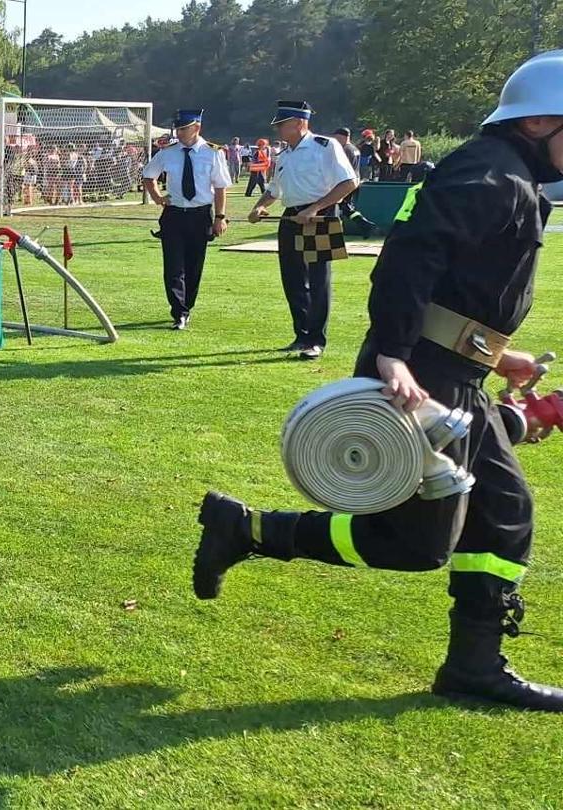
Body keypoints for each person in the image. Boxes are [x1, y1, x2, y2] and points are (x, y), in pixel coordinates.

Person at [194, 51, 563, 712]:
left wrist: (494, 356)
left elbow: (461, 287)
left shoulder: (513, 177)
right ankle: (247, 530)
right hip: (419, 379)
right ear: (539, 121)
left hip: (454, 374)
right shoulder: (491, 174)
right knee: (415, 545)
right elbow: (410, 256)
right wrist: (393, 353)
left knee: (505, 516)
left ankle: (474, 666)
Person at [247, 101, 359, 360]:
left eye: (282, 124)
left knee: (319, 280)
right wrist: (260, 206)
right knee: (293, 278)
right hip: (291, 217)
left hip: (319, 216)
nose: (278, 130)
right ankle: (302, 334)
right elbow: (274, 189)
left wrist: (316, 208)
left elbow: (349, 182)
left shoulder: (325, 146)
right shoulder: (284, 155)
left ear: (299, 123)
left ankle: (316, 339)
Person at [141, 109, 232, 331]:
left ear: (196, 128)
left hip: (200, 214)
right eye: (178, 129)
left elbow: (220, 187)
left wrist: (220, 217)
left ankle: (187, 306)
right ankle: (178, 311)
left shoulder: (213, 153)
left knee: (194, 265)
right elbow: (148, 176)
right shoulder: (168, 152)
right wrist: (158, 198)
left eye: (184, 129)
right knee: (173, 266)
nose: (179, 133)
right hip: (174, 215)